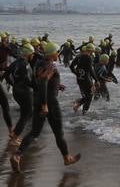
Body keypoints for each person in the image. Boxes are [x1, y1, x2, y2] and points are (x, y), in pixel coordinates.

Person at [10, 41, 80, 170]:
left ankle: (17, 155)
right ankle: (67, 158)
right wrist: (45, 105)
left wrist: (56, 85)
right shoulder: (50, 66)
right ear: (52, 53)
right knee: (59, 133)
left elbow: (37, 81)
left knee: (35, 132)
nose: (58, 53)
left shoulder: (39, 63)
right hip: (49, 103)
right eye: (57, 51)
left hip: (37, 100)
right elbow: (43, 83)